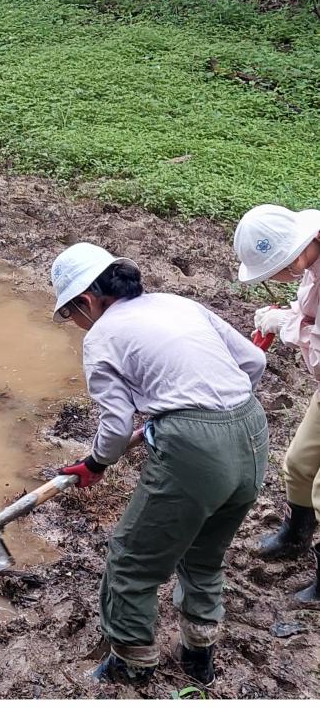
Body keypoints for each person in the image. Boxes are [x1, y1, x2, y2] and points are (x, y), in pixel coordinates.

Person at [51, 242, 268, 687]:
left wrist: (95, 462)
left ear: (87, 301)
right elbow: (254, 361)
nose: (75, 325)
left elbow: (114, 425)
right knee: (205, 555)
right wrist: (210, 404)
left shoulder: (102, 337)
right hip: (251, 428)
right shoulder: (177, 302)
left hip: (194, 448)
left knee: (131, 560)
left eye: (71, 314)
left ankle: (132, 659)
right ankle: (198, 653)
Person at [233, 204, 320, 602]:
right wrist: (286, 315)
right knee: (298, 465)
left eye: (279, 268)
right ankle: (296, 534)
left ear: (300, 248)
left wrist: (286, 327)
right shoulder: (312, 265)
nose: (280, 277)